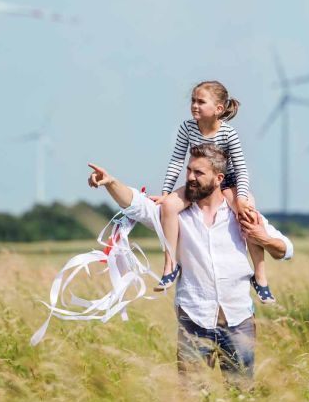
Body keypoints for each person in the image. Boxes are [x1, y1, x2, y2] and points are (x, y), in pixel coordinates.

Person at [87, 143, 293, 380]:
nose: (190, 178)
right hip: (194, 319)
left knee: (241, 394)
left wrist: (262, 238)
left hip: (239, 321)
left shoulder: (240, 213)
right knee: (191, 397)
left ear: (219, 178)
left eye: (199, 173)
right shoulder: (173, 215)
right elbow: (136, 204)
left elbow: (285, 250)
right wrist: (111, 182)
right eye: (189, 171)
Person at [153, 80, 276, 303]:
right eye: (193, 101)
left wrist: (240, 199)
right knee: (169, 206)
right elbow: (176, 161)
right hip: (198, 182)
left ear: (218, 109)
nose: (195, 106)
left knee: (248, 213)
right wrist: (165, 191)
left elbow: (240, 167)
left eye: (201, 102)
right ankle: (170, 265)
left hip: (226, 182)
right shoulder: (187, 128)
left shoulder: (228, 133)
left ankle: (260, 276)